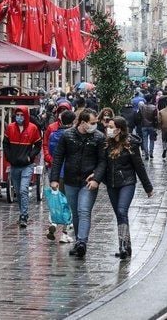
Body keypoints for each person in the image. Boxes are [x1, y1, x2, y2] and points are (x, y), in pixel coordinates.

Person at [50, 109, 106, 258]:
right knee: (75, 212)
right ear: (83, 122)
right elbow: (58, 158)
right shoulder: (67, 135)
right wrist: (54, 179)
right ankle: (78, 242)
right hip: (70, 180)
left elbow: (102, 161)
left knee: (84, 210)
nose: (95, 125)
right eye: (92, 123)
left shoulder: (99, 137)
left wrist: (97, 178)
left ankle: (82, 242)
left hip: (88, 181)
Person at [103, 117, 153, 259]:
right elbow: (101, 164)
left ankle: (123, 245)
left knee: (121, 210)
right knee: (120, 215)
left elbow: (139, 166)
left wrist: (147, 187)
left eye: (111, 126)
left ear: (119, 129)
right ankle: (127, 245)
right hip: (111, 183)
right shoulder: (107, 144)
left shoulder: (130, 145)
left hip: (127, 182)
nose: (108, 128)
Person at [3, 107, 42, 227]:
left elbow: (38, 144)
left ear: (25, 116)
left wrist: (30, 156)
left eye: (21, 115)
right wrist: (9, 157)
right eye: (17, 115)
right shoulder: (10, 128)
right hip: (15, 165)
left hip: (27, 165)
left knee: (23, 189)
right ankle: (22, 212)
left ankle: (24, 215)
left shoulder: (32, 128)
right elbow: (6, 144)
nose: (19, 117)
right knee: (18, 191)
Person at [46, 110, 76, 244]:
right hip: (68, 173)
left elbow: (53, 154)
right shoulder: (73, 136)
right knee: (67, 204)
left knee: (55, 201)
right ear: (73, 122)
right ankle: (64, 233)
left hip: (55, 173)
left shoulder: (53, 135)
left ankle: (52, 221)